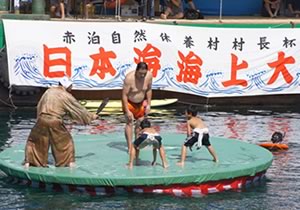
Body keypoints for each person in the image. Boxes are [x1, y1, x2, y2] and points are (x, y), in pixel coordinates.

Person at [24, 78, 98, 168]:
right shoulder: (66, 95)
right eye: (71, 86)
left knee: (35, 141)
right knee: (66, 142)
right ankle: (68, 163)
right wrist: (91, 116)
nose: (72, 88)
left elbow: (40, 105)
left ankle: (29, 162)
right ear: (67, 86)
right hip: (54, 121)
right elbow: (78, 109)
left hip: (41, 119)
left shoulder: (48, 91)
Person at [122, 62, 153, 153]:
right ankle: (129, 147)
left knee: (139, 123)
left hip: (141, 103)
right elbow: (124, 95)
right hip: (129, 103)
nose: (142, 76)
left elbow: (149, 90)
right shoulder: (129, 78)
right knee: (129, 122)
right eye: (140, 73)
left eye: (144, 74)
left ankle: (137, 143)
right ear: (136, 71)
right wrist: (127, 110)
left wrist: (149, 104)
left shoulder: (149, 76)